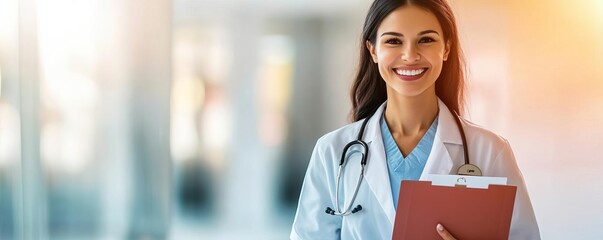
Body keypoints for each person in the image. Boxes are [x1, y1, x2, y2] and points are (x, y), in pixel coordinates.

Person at [290, 0, 540, 239]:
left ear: (447, 48)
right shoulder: (332, 152)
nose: (410, 55)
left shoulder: (489, 152)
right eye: (394, 41)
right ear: (373, 50)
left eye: (426, 40)